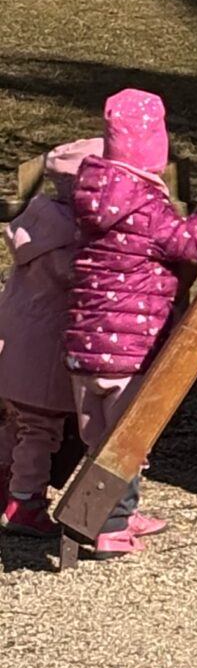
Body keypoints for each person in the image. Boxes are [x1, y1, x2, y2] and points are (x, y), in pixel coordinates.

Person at [64, 90, 197, 556]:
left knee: (102, 441)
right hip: (128, 349)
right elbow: (192, 242)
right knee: (127, 442)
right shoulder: (144, 205)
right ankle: (108, 529)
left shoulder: (97, 197)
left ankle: (118, 513)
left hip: (86, 350)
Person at [0, 138, 100, 538]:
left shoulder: (37, 224)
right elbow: (83, 279)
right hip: (44, 353)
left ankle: (7, 487)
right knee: (40, 431)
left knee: (17, 424)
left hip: (14, 346)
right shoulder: (68, 238)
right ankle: (25, 502)